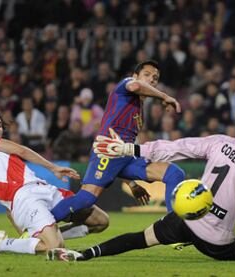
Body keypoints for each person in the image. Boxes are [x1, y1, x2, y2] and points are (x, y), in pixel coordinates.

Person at [61, 103, 235, 262]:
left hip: (184, 217)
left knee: (141, 238)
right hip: (216, 241)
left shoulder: (218, 142)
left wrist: (133, 150)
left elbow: (176, 147)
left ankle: (85, 254)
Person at [49, 60, 185, 224]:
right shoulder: (125, 86)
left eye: (155, 78)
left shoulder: (140, 112)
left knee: (174, 173)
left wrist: (132, 184)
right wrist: (164, 96)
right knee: (86, 199)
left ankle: (173, 227)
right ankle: (39, 224)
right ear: (135, 76)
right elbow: (136, 86)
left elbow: (121, 158)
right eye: (147, 75)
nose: (151, 80)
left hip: (124, 154)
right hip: (107, 151)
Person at [0, 107, 109, 256]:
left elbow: (9, 209)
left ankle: (37, 236)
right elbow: (22, 150)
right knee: (55, 246)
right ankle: (0, 244)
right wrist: (53, 167)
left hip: (44, 189)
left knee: (101, 221)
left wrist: (22, 231)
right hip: (27, 198)